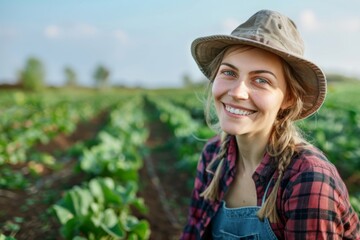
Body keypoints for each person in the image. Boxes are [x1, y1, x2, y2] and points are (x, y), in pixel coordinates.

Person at [180, 9, 360, 239]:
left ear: (288, 98)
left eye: (261, 80)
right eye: (229, 72)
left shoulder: (307, 179)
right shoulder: (213, 156)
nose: (237, 92)